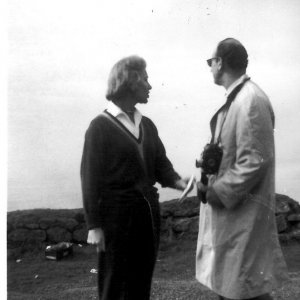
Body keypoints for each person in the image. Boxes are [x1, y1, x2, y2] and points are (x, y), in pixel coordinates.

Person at [80, 55, 188, 300]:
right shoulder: (99, 127)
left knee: (141, 283)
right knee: (114, 285)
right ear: (130, 82)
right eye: (146, 80)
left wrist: (179, 181)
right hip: (115, 220)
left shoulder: (147, 125)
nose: (150, 86)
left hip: (147, 218)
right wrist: (94, 226)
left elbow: (161, 165)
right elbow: (89, 178)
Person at [196, 38, 289, 300]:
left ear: (220, 63)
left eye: (210, 62)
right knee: (236, 287)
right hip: (234, 217)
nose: (209, 67)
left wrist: (217, 191)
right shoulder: (237, 99)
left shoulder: (250, 100)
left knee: (244, 289)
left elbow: (255, 160)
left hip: (243, 216)